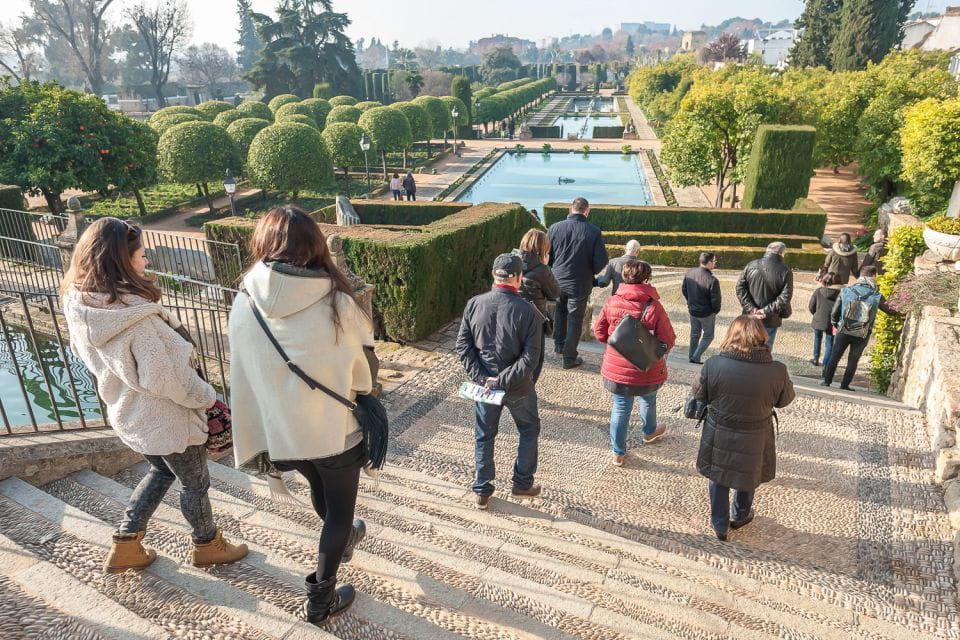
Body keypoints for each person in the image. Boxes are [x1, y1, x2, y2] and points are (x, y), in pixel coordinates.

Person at [60, 218, 248, 573]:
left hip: (131, 414)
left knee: (161, 471)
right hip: (167, 418)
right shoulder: (135, 320)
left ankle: (127, 543)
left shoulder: (84, 306)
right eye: (142, 255)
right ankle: (207, 544)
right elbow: (166, 380)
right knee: (196, 483)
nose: (147, 261)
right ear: (120, 260)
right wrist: (208, 398)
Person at [229, 206, 373, 625]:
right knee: (340, 512)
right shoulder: (336, 302)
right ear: (315, 244)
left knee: (318, 484)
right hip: (332, 432)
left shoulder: (245, 297)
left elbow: (246, 366)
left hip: (280, 435)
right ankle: (320, 600)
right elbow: (362, 375)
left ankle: (341, 538)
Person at [692, 315, 796, 541]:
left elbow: (699, 394)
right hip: (757, 432)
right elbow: (784, 400)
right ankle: (740, 515)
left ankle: (719, 524)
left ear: (732, 335)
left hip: (719, 428)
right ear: (762, 337)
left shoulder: (713, 364)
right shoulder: (777, 370)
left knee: (718, 475)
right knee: (750, 473)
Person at [456, 253, 543, 510]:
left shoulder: (474, 304)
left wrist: (484, 378)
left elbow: (463, 346)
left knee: (484, 435)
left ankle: (482, 489)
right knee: (528, 430)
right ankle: (522, 483)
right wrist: (500, 380)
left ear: (494, 275)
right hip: (517, 386)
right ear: (518, 278)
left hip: (485, 386)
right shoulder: (529, 312)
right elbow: (531, 358)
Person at [594, 261, 676, 466]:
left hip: (617, 368)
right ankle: (649, 432)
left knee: (620, 407)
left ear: (624, 276)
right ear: (647, 279)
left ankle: (618, 453)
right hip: (646, 367)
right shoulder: (654, 306)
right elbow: (668, 338)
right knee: (648, 400)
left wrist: (617, 347)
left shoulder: (612, 301)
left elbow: (599, 332)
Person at [547, 197, 608, 369]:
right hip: (579, 283)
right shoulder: (593, 231)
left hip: (557, 280)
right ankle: (569, 357)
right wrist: (591, 272)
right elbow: (601, 260)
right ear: (587, 211)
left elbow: (546, 256)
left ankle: (559, 345)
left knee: (560, 311)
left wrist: (554, 269)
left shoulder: (554, 228)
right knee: (574, 319)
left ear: (570, 209)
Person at [821, 265, 896, 391]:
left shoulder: (846, 290)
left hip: (844, 329)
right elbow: (891, 311)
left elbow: (835, 311)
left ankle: (827, 381)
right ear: (873, 276)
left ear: (861, 276)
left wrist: (836, 323)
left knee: (835, 355)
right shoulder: (876, 295)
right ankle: (844, 385)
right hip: (863, 332)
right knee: (853, 359)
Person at [513, 229, 561, 383]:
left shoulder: (511, 261)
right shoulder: (542, 270)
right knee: (534, 360)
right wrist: (546, 266)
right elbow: (555, 293)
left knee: (512, 355)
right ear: (543, 249)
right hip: (534, 320)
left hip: (511, 316)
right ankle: (526, 390)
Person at [735, 242, 793, 351]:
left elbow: (740, 288)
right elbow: (785, 298)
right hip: (770, 318)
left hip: (750, 316)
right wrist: (764, 311)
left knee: (746, 347)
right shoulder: (786, 271)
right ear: (782, 254)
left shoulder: (751, 265)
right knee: (765, 350)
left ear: (767, 250)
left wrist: (751, 308)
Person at [682, 252, 721, 364]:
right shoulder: (712, 280)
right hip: (706, 313)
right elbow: (716, 300)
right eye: (714, 261)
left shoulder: (689, 273)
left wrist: (690, 302)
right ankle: (695, 356)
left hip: (693, 310)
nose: (715, 263)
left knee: (694, 334)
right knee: (708, 336)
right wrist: (715, 310)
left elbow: (684, 290)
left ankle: (692, 355)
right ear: (708, 262)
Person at [807, 272, 841, 366]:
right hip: (833, 322)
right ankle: (826, 365)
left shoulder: (818, 291)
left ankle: (815, 358)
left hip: (818, 320)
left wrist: (816, 314)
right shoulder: (841, 293)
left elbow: (811, 306)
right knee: (829, 343)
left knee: (817, 338)